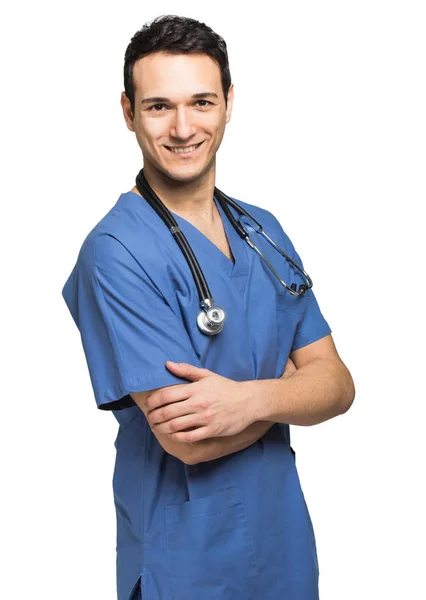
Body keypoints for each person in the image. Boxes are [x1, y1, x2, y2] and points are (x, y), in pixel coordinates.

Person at [61, 14, 355, 600]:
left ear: (227, 104)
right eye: (158, 106)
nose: (182, 127)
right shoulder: (116, 252)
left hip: (282, 543)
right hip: (184, 556)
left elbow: (340, 386)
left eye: (201, 101)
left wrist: (245, 399)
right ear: (127, 112)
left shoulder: (261, 231)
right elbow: (189, 438)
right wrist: (295, 391)